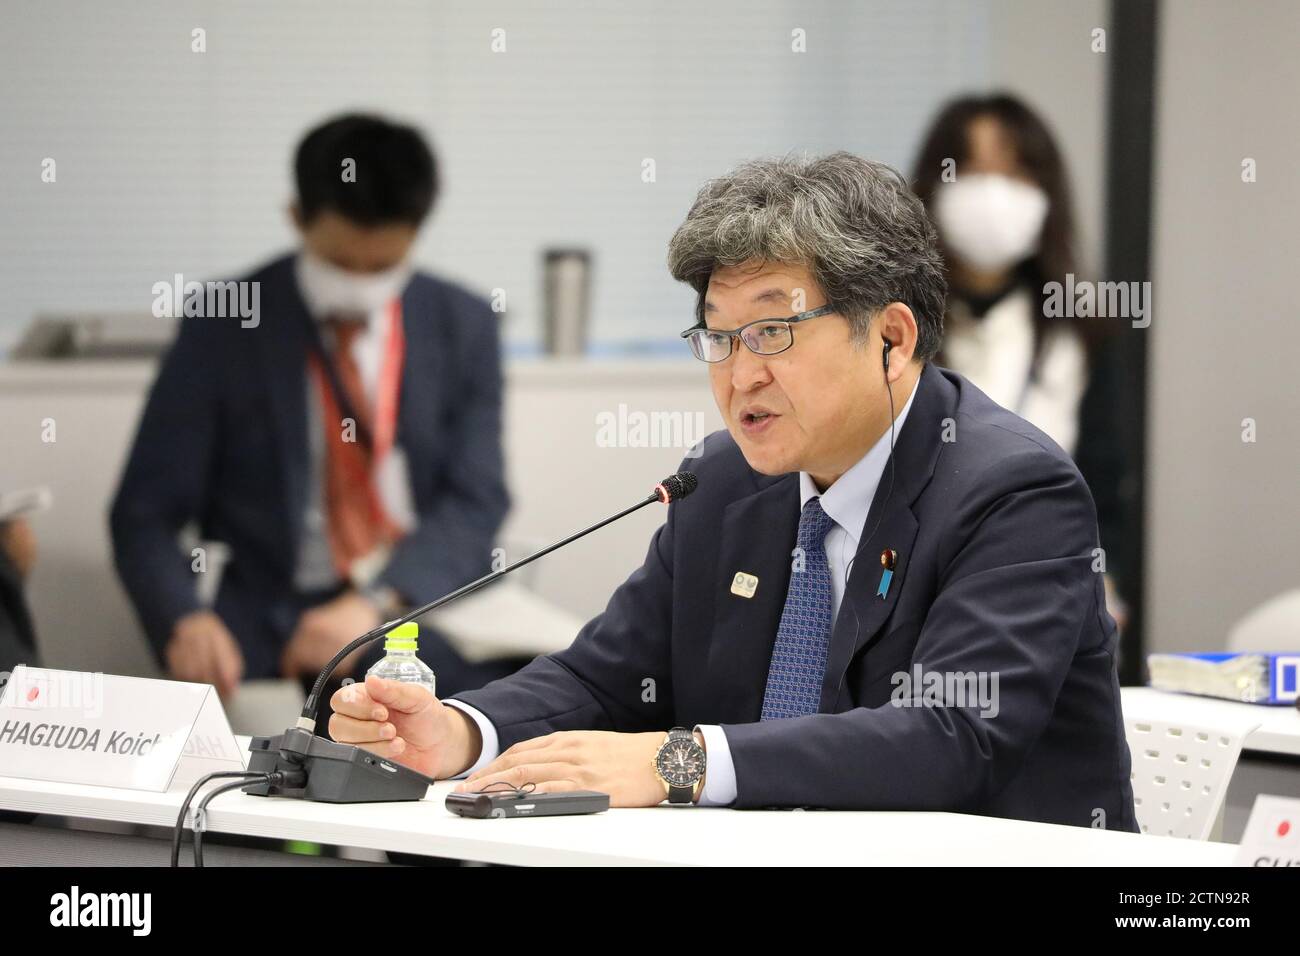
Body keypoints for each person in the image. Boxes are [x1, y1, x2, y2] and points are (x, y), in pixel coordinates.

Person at [329, 152, 1137, 829]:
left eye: (772, 331)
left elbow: (954, 738)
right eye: (717, 335)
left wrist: (676, 760)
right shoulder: (722, 483)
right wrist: (461, 731)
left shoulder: (1012, 490)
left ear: (891, 339)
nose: (739, 372)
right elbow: (604, 678)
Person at [111, 114, 518, 727]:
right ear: (296, 217)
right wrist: (183, 619)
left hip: (410, 605)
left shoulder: (463, 323)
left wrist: (375, 605)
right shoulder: (224, 324)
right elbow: (143, 513)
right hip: (263, 618)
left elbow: (476, 497)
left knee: (508, 708)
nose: (359, 285)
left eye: (381, 266)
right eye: (340, 264)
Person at [911, 93, 1129, 628]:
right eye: (972, 171)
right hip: (915, 593)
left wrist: (1106, 584)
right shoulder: (895, 326)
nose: (992, 194)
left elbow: (1104, 483)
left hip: (1045, 594)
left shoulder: (1078, 335)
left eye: (1013, 173)